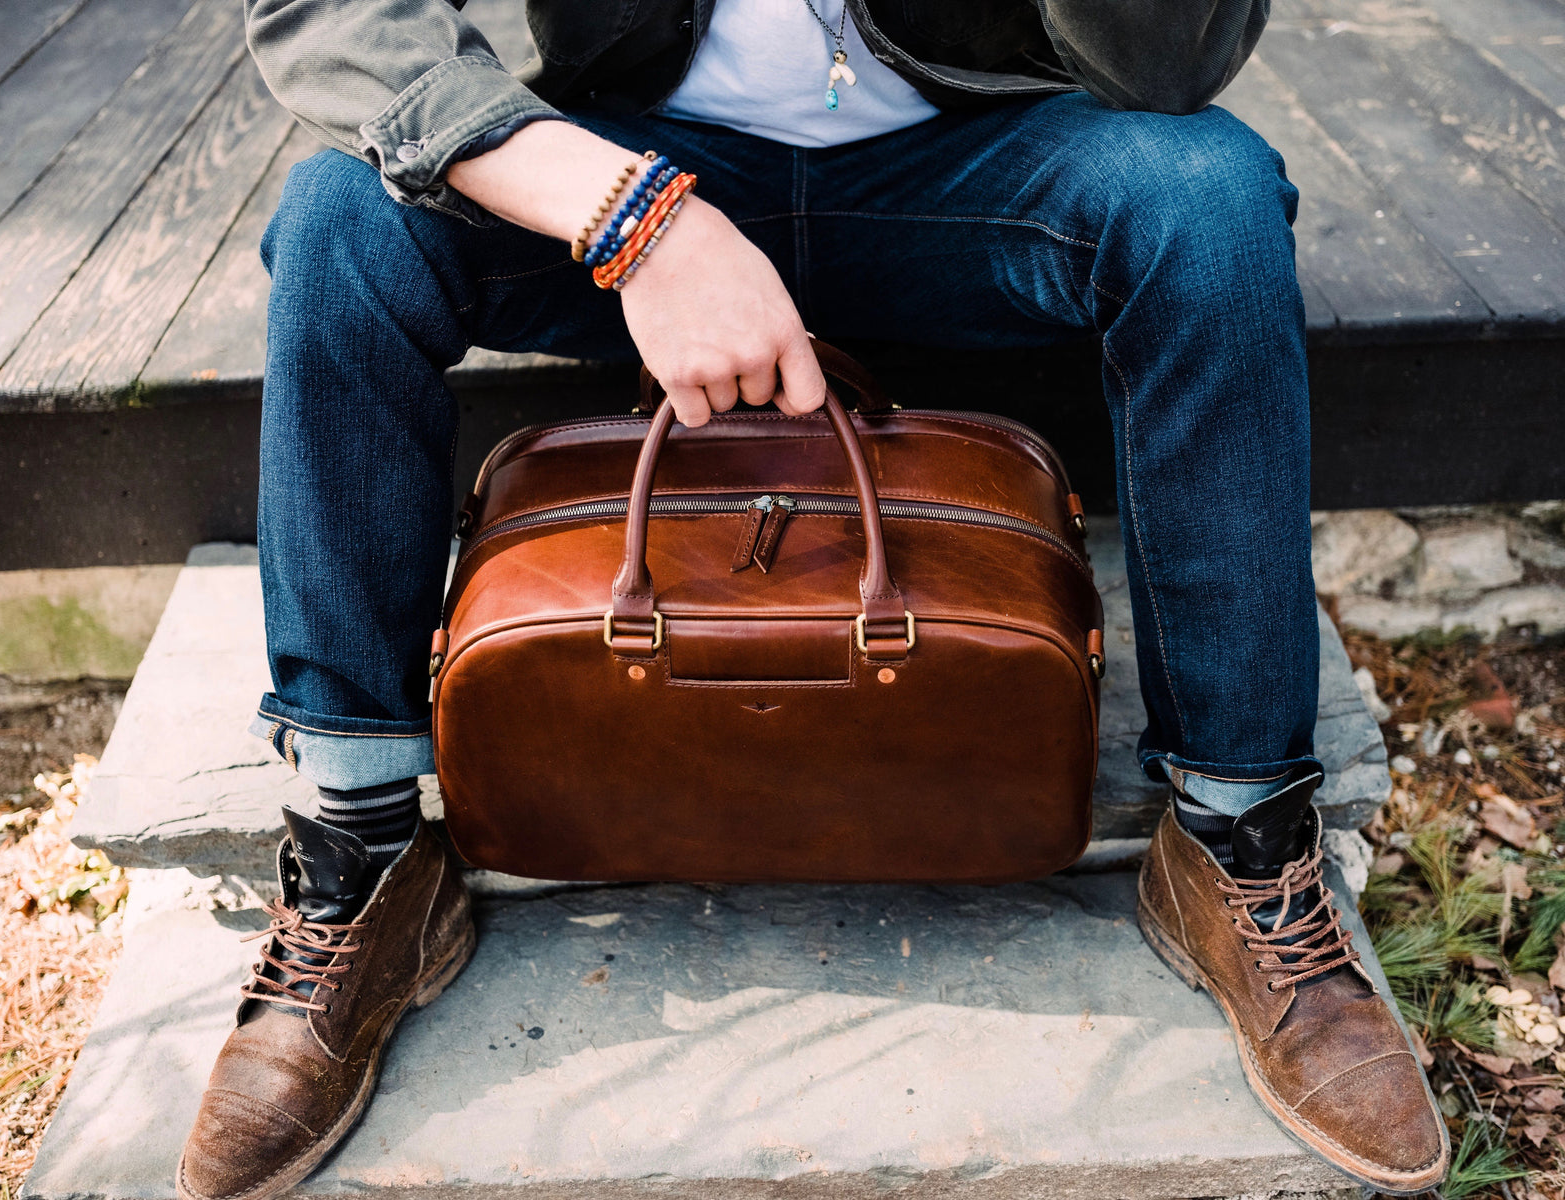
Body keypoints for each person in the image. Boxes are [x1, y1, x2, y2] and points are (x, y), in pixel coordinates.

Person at [175, 2, 1450, 1198]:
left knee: (1208, 198)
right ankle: (362, 849)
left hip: (976, 162)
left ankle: (1236, 843)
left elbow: (1169, 65)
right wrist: (633, 213)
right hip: (636, 155)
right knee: (343, 216)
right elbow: (329, 17)